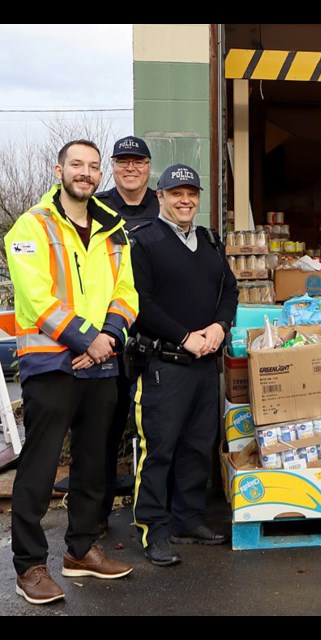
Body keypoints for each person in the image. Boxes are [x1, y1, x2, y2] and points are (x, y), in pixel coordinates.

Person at [4, 140, 138, 605]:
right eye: (77, 164)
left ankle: (80, 550)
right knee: (40, 469)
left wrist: (111, 337)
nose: (85, 173)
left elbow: (126, 291)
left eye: (93, 167)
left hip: (101, 362)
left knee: (93, 465)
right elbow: (37, 295)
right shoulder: (31, 225)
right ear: (59, 168)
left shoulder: (113, 228)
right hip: (50, 362)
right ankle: (29, 566)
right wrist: (87, 338)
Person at [129, 163, 239, 567]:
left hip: (205, 366)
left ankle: (187, 520)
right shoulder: (143, 242)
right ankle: (153, 530)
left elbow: (230, 289)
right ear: (160, 197)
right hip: (164, 365)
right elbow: (139, 304)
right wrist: (184, 336)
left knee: (197, 447)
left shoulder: (209, 242)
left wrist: (220, 326)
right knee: (159, 451)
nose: (185, 199)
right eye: (176, 193)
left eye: (191, 192)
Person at [93, 135, 159, 536]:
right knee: (104, 431)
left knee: (158, 429)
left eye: (138, 161)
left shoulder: (163, 205)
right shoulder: (96, 206)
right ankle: (95, 517)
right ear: (113, 168)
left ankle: (155, 514)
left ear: (149, 167)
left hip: (157, 338)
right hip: (109, 338)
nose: (130, 168)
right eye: (123, 161)